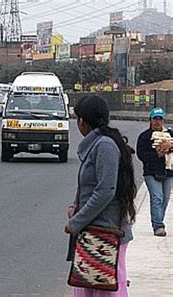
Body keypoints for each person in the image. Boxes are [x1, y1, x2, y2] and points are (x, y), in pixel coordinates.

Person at [65, 95, 136, 296]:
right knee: (87, 285)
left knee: (108, 287)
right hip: (93, 232)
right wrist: (75, 207)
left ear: (83, 121)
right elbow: (88, 186)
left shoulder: (104, 145)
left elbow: (106, 191)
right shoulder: (97, 143)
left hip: (107, 233)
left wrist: (77, 221)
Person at [136, 107, 172, 237]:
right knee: (157, 198)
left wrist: (170, 146)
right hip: (151, 172)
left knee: (165, 199)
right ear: (150, 120)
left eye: (160, 119)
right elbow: (141, 154)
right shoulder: (144, 137)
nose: (157, 122)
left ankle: (158, 219)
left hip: (168, 172)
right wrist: (157, 154)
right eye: (155, 119)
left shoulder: (170, 134)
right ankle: (158, 225)